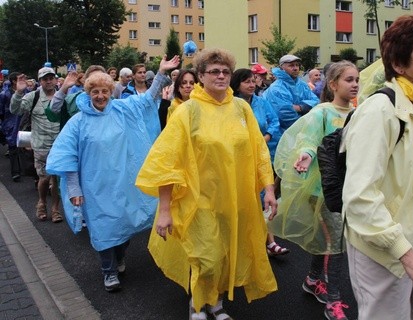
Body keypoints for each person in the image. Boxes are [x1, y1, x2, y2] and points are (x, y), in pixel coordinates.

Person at [135, 48, 278, 320]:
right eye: (214, 71)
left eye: (225, 71)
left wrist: (269, 189)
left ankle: (216, 302)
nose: (221, 76)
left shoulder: (241, 108)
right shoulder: (188, 111)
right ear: (201, 76)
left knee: (226, 254)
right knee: (207, 257)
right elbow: (167, 161)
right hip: (199, 200)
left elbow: (258, 150)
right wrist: (164, 210)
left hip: (235, 198)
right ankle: (197, 304)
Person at [342, 15, 413, 319]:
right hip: (386, 251)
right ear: (398, 63)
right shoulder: (379, 111)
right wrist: (407, 255)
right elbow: (360, 198)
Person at [46, 55, 180, 292]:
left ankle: (119, 257)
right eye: (95, 91)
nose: (100, 96)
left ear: (111, 91)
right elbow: (67, 156)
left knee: (123, 225)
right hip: (94, 186)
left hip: (123, 182)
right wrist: (74, 189)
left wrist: (160, 73)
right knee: (102, 228)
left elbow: (148, 100)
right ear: (88, 93)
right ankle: (108, 271)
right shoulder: (78, 122)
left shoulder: (122, 109)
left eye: (105, 91)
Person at [270, 61, 358, 320]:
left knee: (328, 240)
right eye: (348, 80)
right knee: (337, 244)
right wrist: (306, 155)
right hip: (322, 191)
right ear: (333, 84)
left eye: (356, 80)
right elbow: (307, 140)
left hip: (349, 189)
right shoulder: (322, 113)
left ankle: (312, 280)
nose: (354, 85)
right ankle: (333, 300)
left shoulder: (359, 112)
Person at [230, 68, 288, 256]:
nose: (252, 84)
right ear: (237, 84)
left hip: (263, 156)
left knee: (263, 198)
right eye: (247, 81)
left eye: (253, 81)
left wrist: (267, 136)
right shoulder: (231, 105)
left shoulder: (262, 102)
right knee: (247, 200)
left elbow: (274, 122)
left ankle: (269, 241)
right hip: (240, 160)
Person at [10, 67, 63, 223]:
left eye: (51, 78)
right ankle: (41, 202)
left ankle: (55, 209)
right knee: (45, 179)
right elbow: (15, 110)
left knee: (57, 181)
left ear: (55, 79)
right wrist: (19, 92)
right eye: (45, 79)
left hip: (59, 146)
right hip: (41, 146)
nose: (48, 81)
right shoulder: (33, 97)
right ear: (40, 81)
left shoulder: (62, 96)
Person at [263, 54, 320, 132]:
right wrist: (307, 111)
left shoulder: (302, 84)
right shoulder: (277, 88)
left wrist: (300, 108)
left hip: (302, 134)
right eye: (291, 65)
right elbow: (285, 116)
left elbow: (316, 101)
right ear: (282, 68)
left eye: (297, 65)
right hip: (282, 135)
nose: (295, 68)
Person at [0, 72, 23, 181]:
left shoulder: (26, 92)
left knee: (24, 147)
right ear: (14, 81)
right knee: (13, 147)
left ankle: (24, 169)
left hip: (23, 123)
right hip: (10, 124)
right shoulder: (5, 94)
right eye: (20, 78)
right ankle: (15, 172)